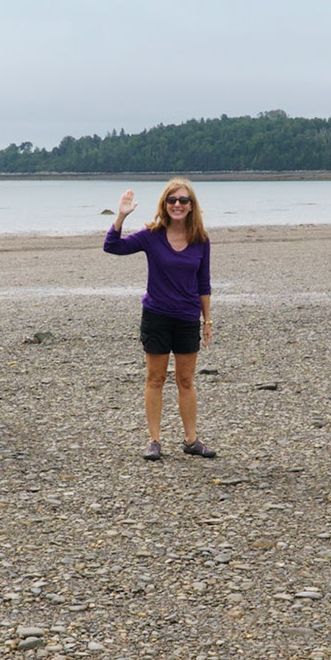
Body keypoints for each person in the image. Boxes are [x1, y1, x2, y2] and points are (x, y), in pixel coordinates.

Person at [103, 179, 215, 460]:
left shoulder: (201, 239)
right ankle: (154, 440)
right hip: (156, 316)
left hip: (187, 317)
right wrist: (121, 216)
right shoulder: (152, 235)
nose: (177, 204)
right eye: (172, 200)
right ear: (165, 205)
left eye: (183, 200)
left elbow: (204, 283)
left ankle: (191, 440)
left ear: (191, 207)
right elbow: (112, 247)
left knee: (186, 380)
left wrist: (207, 321)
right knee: (155, 379)